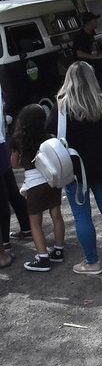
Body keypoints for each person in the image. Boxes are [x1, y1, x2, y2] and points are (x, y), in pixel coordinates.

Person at [48, 61, 102, 275]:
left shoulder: (61, 107)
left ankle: (92, 261)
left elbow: (50, 133)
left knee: (82, 215)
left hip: (74, 169)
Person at [9, 105, 67, 272]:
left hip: (34, 185)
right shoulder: (48, 136)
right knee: (56, 215)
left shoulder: (20, 140)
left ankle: (42, 257)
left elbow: (14, 164)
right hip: (51, 180)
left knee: (35, 222)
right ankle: (58, 250)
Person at [0, 86, 30, 262]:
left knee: (4, 194)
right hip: (2, 141)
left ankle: (4, 243)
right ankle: (26, 227)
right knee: (9, 188)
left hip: (1, 141)